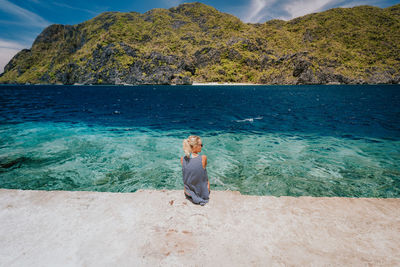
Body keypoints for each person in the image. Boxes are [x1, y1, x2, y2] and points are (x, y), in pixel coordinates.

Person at [181, 135, 210, 206]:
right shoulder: (203, 158)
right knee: (205, 176)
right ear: (195, 146)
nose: (202, 146)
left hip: (188, 192)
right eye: (201, 145)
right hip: (202, 193)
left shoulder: (182, 159)